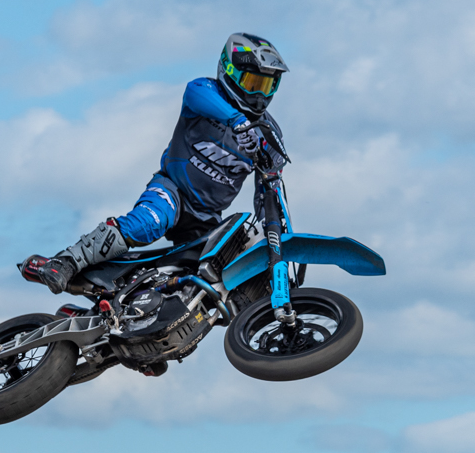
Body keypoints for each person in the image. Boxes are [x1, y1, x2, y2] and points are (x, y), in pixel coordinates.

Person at [20, 32, 289, 294]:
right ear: (229, 71)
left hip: (208, 218)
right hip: (173, 191)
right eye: (253, 83)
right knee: (149, 221)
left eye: (267, 86)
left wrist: (281, 246)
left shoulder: (269, 135)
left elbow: (271, 196)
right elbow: (194, 92)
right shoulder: (205, 91)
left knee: (223, 277)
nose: (259, 95)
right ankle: (66, 261)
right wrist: (237, 121)